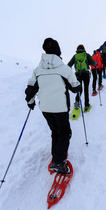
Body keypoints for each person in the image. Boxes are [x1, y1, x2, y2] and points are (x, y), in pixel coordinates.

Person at [25, 38, 81, 174]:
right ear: (58, 51)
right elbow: (75, 88)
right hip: (60, 108)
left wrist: (30, 102)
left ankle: (56, 155)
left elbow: (30, 89)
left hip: (45, 108)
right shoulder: (64, 69)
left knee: (55, 131)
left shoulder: (38, 70)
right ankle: (58, 161)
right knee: (65, 133)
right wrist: (78, 85)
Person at [68, 44, 97, 111]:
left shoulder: (75, 56)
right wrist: (96, 63)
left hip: (78, 75)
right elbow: (93, 63)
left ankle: (77, 102)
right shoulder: (86, 55)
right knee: (86, 89)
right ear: (83, 49)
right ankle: (86, 105)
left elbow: (69, 65)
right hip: (86, 74)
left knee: (79, 89)